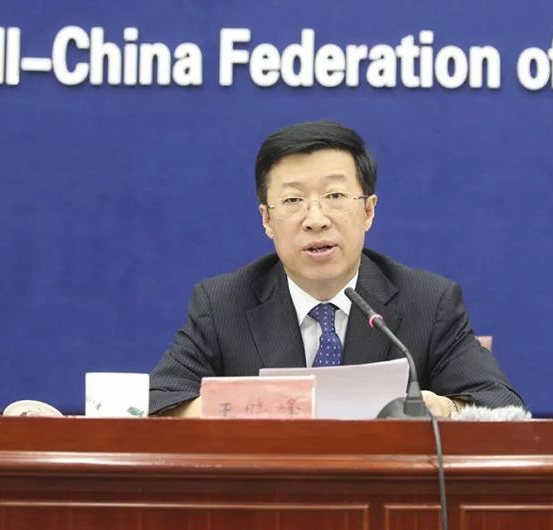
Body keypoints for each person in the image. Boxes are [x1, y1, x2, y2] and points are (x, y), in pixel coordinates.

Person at [149, 120, 524, 417]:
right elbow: (157, 403)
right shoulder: (222, 305)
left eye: (335, 196)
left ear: (368, 211)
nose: (316, 219)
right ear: (266, 219)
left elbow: (502, 408)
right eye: (293, 200)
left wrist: (441, 409)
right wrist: (257, 407)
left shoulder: (429, 302)